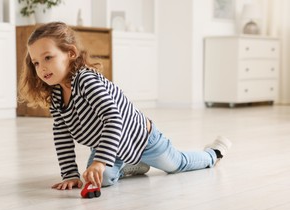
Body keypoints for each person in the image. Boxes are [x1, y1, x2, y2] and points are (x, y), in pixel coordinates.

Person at [18, 22, 232, 191]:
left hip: (143, 139)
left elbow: (113, 118)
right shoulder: (56, 95)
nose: (42, 67)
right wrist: (70, 175)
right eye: (36, 62)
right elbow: (62, 134)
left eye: (48, 57)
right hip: (110, 143)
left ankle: (213, 154)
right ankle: (133, 165)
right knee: (100, 179)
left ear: (71, 53)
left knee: (177, 165)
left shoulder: (86, 80)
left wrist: (100, 160)